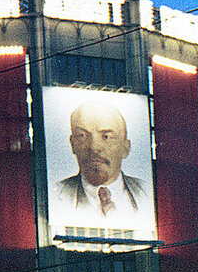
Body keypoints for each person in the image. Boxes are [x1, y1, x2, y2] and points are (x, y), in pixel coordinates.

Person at [52, 98, 154, 237]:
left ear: (126, 147)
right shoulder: (55, 194)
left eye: (106, 136)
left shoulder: (147, 192)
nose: (94, 147)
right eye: (82, 136)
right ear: (72, 144)